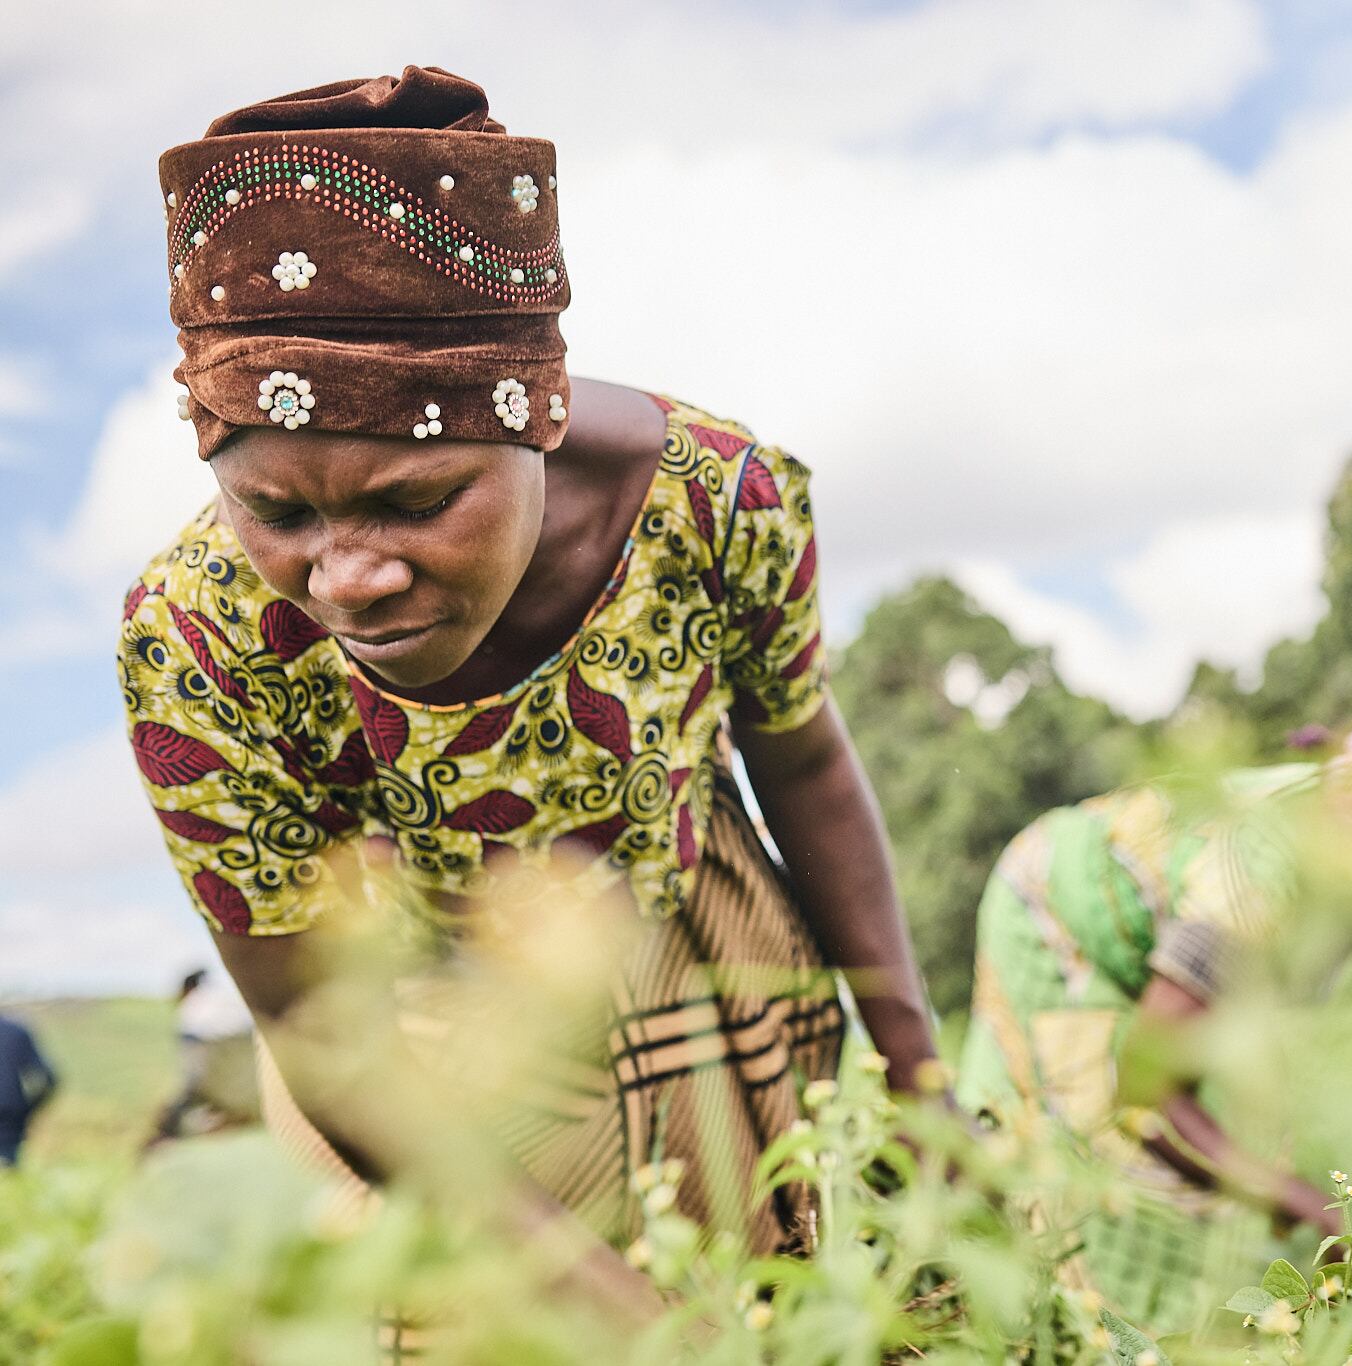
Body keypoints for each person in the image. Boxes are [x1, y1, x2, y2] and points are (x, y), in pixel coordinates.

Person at [121, 67, 937, 1331]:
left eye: (415, 501)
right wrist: (596, 1298)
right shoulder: (194, 638)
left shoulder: (718, 498)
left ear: (539, 422)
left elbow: (807, 764)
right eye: (278, 513)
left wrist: (922, 1073)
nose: (350, 577)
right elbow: (312, 1018)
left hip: (707, 953)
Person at [955, 712, 1352, 1327]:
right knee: (1109, 1166)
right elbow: (1147, 1095)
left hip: (1175, 975)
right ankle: (1074, 1324)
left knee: (1234, 1151)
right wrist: (1310, 1207)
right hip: (1061, 914)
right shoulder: (1255, 871)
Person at [148, 968, 258, 1146]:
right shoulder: (221, 999)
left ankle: (169, 1141)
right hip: (247, 1042)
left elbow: (194, 1067)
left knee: (196, 1098)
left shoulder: (193, 1006)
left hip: (206, 1042)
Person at [0, 1013, 58, 1166]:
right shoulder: (16, 1033)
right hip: (9, 1123)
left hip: (9, 1123)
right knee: (8, 1180)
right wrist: (27, 1109)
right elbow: (49, 1079)